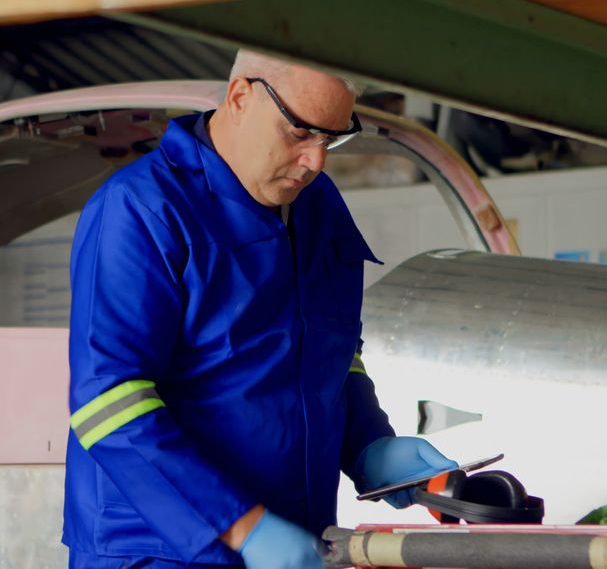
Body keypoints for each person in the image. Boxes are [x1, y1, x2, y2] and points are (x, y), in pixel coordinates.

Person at [63, 50, 458, 568]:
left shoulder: (316, 205)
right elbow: (108, 401)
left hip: (296, 536)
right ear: (240, 98)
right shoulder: (142, 209)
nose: (316, 161)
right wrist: (240, 526)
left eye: (331, 138)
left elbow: (332, 351)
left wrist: (370, 445)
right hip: (159, 550)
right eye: (299, 132)